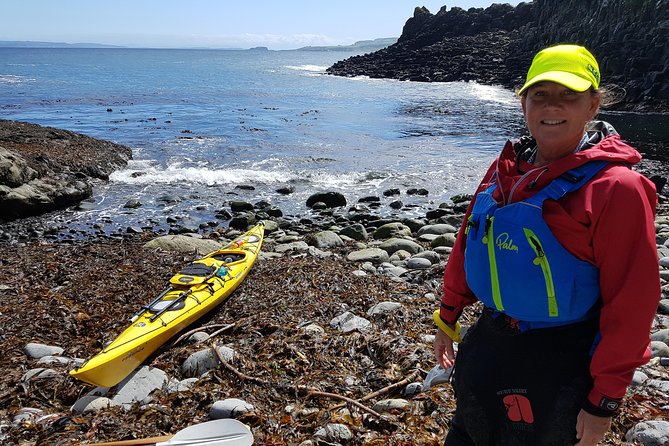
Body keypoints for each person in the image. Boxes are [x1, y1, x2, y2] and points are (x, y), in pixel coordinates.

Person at [432, 44, 659, 445]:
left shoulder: (616, 188)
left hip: (562, 361)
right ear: (524, 103)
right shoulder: (506, 168)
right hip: (490, 340)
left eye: (569, 95)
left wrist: (603, 401)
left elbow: (632, 301)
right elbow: (468, 241)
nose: (552, 106)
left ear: (593, 105)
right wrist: (447, 317)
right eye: (541, 94)